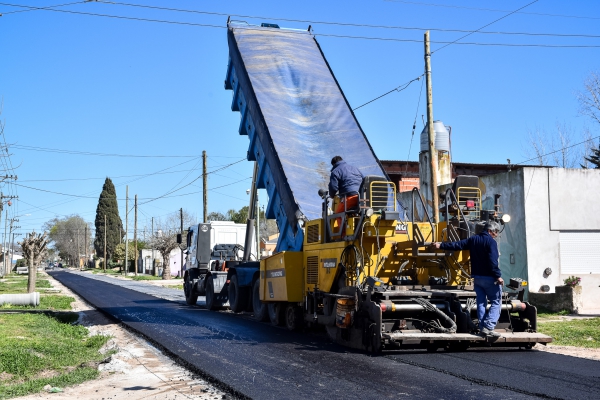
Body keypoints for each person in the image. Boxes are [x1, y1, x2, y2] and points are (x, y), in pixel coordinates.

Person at [433, 221, 504, 338]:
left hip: (476, 278)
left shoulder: (474, 239)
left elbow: (457, 245)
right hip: (490, 278)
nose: (496, 235)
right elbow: (493, 262)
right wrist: (498, 276)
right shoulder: (491, 242)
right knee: (496, 302)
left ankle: (482, 328)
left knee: (481, 302)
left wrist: (440, 245)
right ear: (490, 231)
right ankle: (489, 326)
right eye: (495, 233)